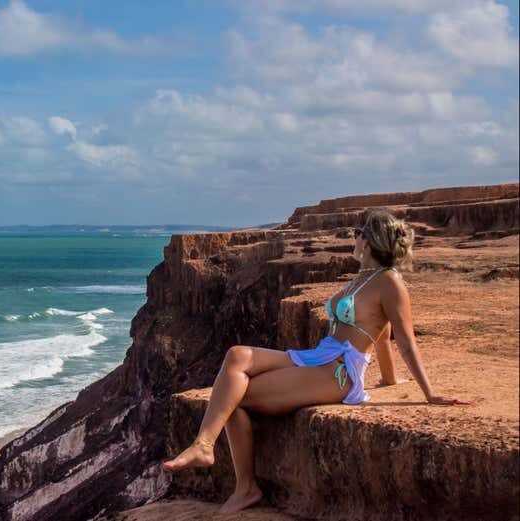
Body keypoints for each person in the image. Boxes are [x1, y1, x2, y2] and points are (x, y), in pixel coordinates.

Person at [160, 209, 470, 515]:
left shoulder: (390, 282)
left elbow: (403, 340)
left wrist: (429, 394)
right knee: (237, 355)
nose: (355, 237)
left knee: (235, 398)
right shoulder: (364, 278)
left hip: (336, 372)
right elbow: (382, 331)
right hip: (318, 356)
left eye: (358, 233)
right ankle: (205, 446)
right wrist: (388, 379)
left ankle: (241, 484)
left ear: (369, 241)